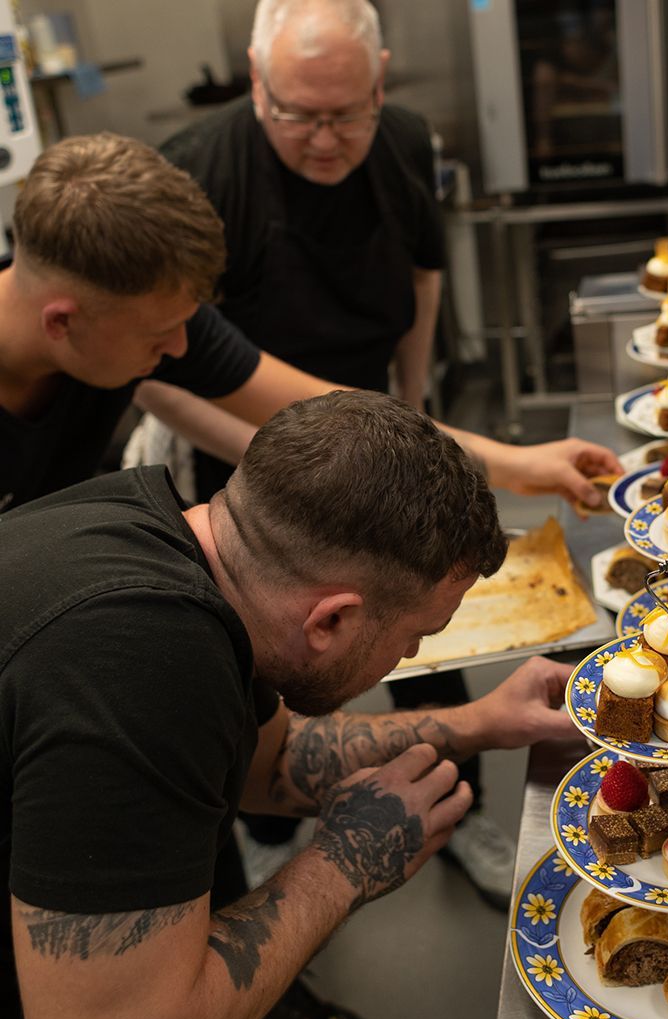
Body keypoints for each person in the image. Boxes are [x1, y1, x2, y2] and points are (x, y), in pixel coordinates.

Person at [128, 0, 593, 908]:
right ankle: (266, 832)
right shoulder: (196, 172)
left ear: (381, 80)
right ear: (258, 82)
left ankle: (456, 800)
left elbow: (422, 278)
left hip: (369, 420)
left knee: (426, 620)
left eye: (349, 113)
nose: (326, 139)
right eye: (298, 114)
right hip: (238, 450)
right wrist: (298, 470)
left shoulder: (404, 143)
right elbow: (155, 374)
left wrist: (415, 418)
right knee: (264, 664)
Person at [0, 389, 580, 1019]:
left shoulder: (171, 550)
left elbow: (271, 764)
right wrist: (346, 863)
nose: (409, 655)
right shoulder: (138, 666)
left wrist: (479, 722)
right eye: (417, 636)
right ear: (331, 620)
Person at [0, 130, 620, 514]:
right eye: (160, 336)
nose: (182, 347)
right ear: (62, 323)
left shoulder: (140, 317)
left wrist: (516, 465)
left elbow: (343, 415)